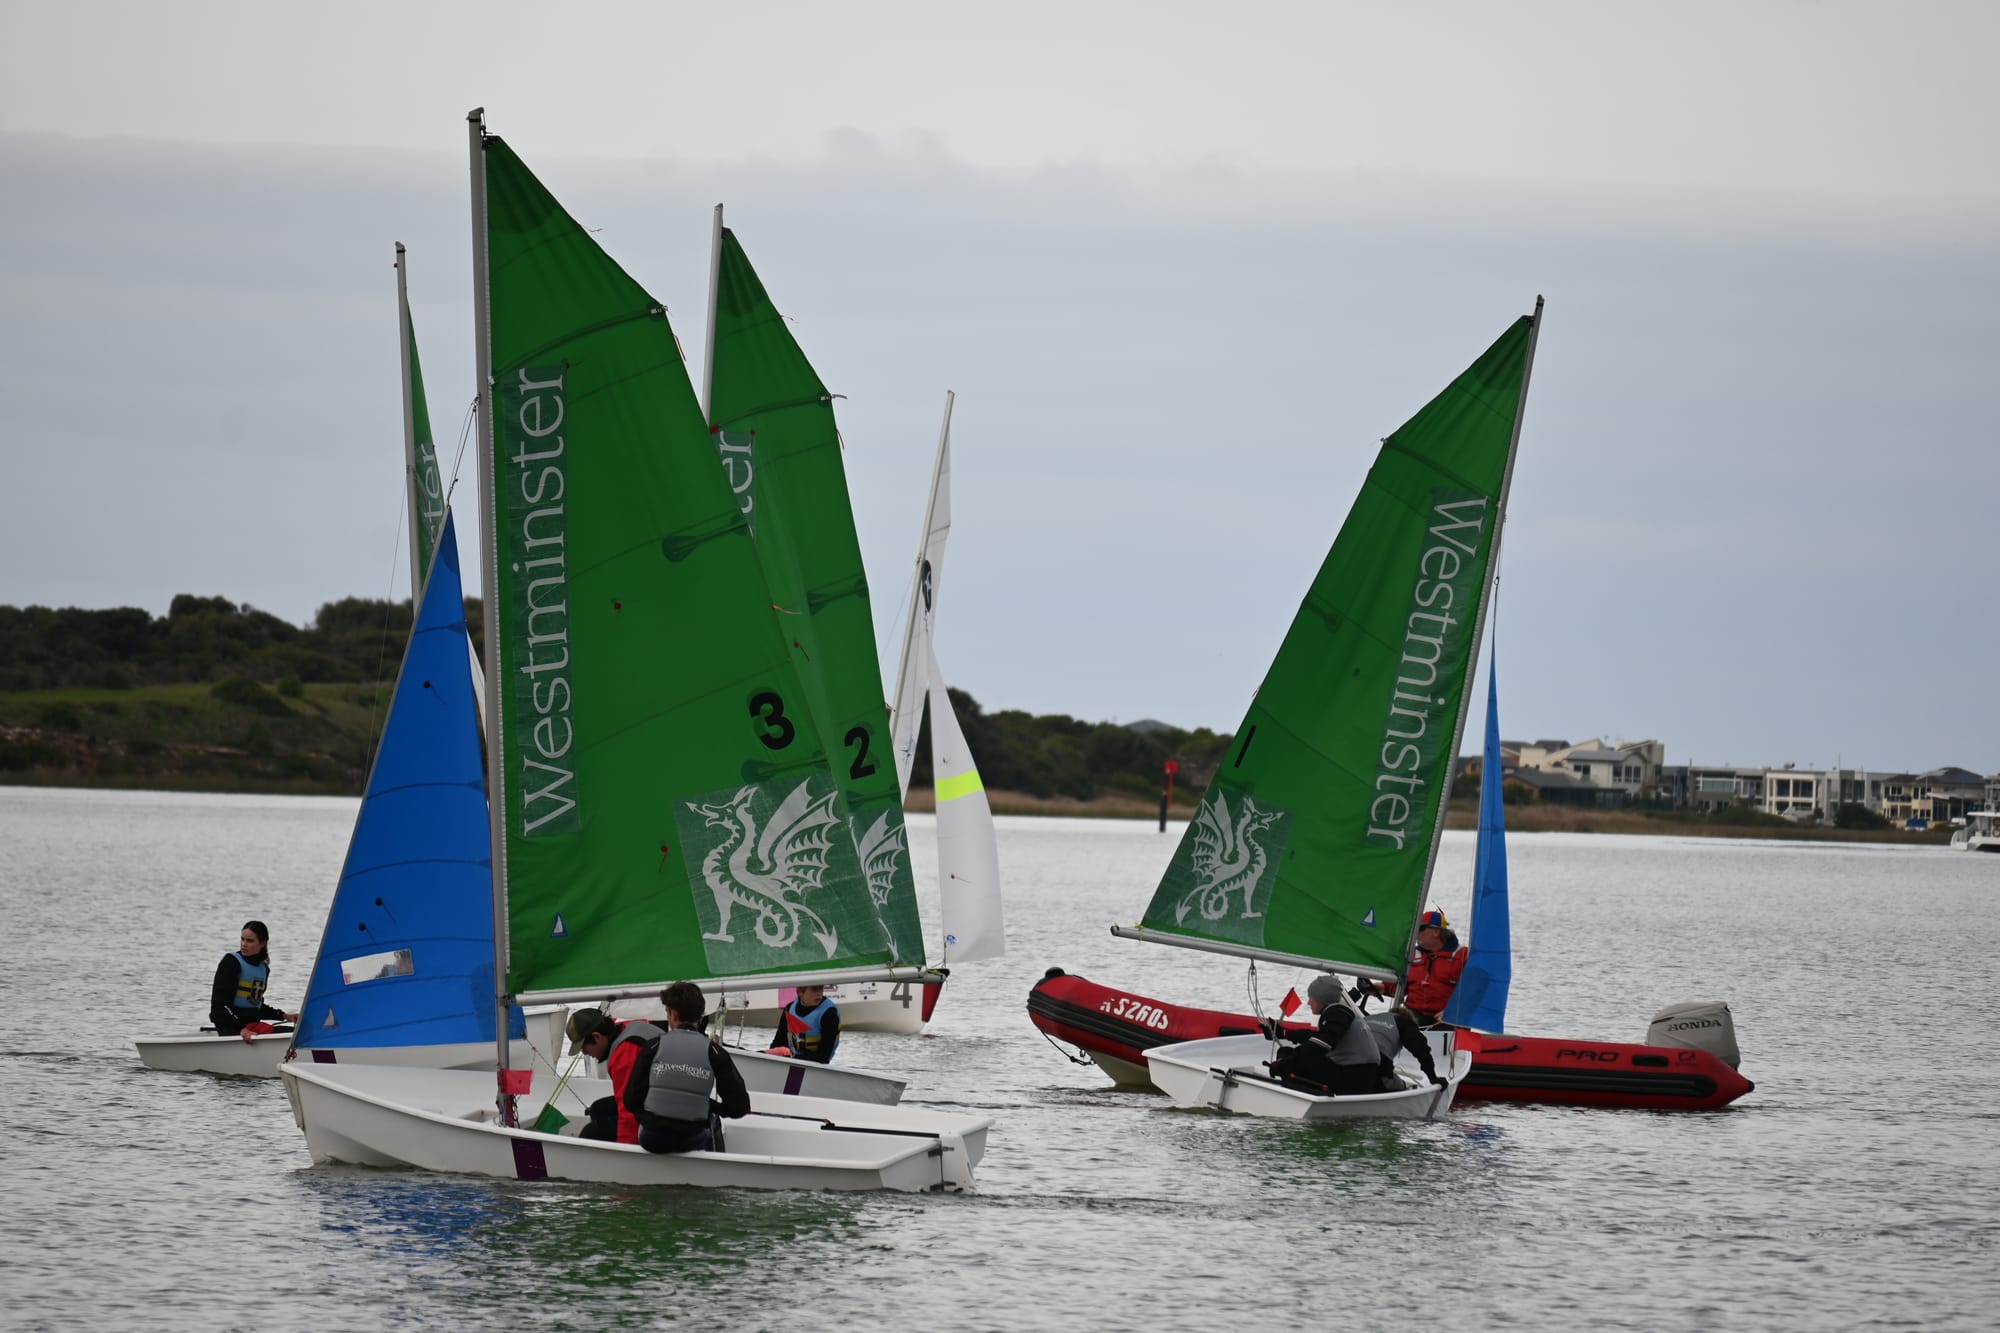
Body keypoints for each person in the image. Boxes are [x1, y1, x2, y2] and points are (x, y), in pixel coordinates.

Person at [1264, 974, 1444, 1095]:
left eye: (1311, 997)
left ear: (1321, 998)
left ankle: (1300, 1095)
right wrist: (1432, 1077)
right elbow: (1421, 1049)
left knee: (1290, 1055)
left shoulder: (1361, 1017)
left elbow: (1321, 1041)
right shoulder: (1346, 1015)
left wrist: (1285, 1058)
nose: (1308, 1002)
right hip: (1373, 1070)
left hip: (1357, 1073)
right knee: (1297, 1054)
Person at [625, 981, 751, 1154]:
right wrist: (709, 1106)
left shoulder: (653, 1046)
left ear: (673, 1014)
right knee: (714, 1120)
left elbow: (631, 1099)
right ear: (700, 1016)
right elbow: (740, 1107)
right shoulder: (715, 1052)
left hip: (652, 1140)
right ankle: (713, 1169)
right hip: (691, 1140)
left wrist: (650, 1117)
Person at [565, 1006, 662, 1144]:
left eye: (584, 1048)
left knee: (592, 1132)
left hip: (665, 1116)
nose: (585, 1054)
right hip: (663, 1100)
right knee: (599, 1109)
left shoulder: (625, 1053)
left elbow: (628, 1111)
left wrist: (623, 1150)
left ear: (597, 1037)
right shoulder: (629, 1028)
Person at [1360, 907, 1468, 1027]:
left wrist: (1453, 1013)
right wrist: (1380, 987)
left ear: (1436, 932)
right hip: (1413, 1017)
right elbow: (1399, 987)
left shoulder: (1462, 956)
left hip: (1447, 1021)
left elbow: (1476, 992)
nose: (1416, 934)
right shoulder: (1411, 955)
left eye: (1420, 929)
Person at [209, 920, 297, 1040]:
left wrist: (285, 1016)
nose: (244, 944)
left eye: (249, 941)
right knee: (297, 1036)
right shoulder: (231, 962)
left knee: (299, 1032)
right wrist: (241, 1029)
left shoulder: (263, 969)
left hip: (252, 1027)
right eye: (242, 939)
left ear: (263, 943)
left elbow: (255, 1006)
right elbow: (218, 1007)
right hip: (232, 1028)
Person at [765, 983, 840, 1063]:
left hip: (817, 1065)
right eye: (814, 989)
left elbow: (823, 1056)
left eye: (821, 988)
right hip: (793, 1061)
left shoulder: (829, 1014)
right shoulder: (789, 1010)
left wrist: (794, 1058)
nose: (819, 993)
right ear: (800, 992)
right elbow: (778, 1043)